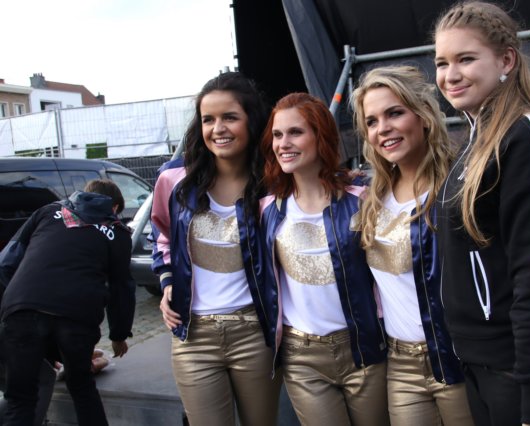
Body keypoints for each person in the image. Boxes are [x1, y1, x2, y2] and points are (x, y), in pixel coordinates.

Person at [433, 2, 530, 425]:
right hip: (480, 365)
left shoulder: (525, 135)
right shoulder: (473, 140)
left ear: (506, 61)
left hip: (519, 374)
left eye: (466, 59)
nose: (450, 75)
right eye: (442, 63)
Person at [150, 72, 281, 426]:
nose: (218, 129)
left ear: (251, 121)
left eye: (230, 117)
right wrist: (167, 280)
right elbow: (161, 237)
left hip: (255, 333)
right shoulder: (174, 180)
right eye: (208, 119)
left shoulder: (275, 182)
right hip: (194, 336)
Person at [351, 65, 473, 426]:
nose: (383, 128)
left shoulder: (458, 186)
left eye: (394, 113)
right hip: (401, 366)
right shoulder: (371, 198)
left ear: (423, 116)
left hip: (458, 360)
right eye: (372, 121)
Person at [260, 92, 389, 426]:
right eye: (277, 134)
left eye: (295, 132)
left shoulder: (363, 200)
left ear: (321, 136)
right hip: (303, 357)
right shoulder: (267, 211)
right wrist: (169, 279)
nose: (283, 143)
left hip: (364, 349)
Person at [0, 179, 135, 426]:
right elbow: (121, 288)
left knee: (20, 398)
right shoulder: (118, 232)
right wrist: (119, 334)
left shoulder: (47, 211)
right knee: (82, 386)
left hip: (22, 310)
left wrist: (22, 299)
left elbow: (6, 262)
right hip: (77, 314)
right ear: (114, 207)